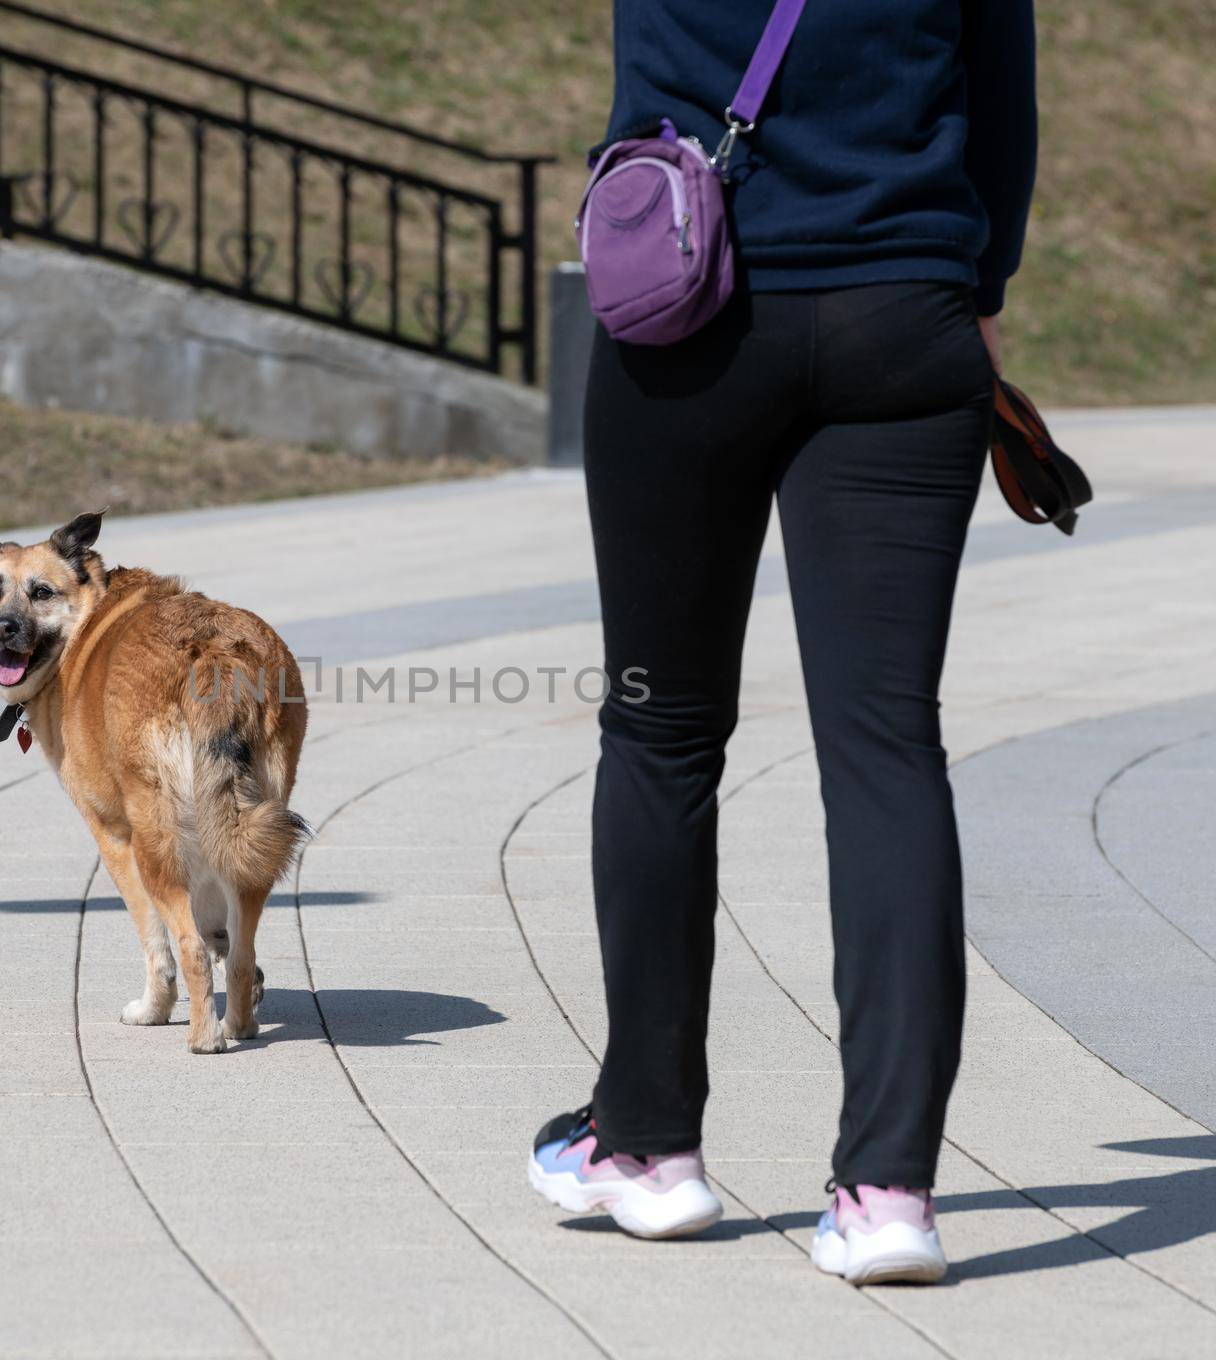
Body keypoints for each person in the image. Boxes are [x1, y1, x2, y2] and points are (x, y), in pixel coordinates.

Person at [528, 0, 1037, 1284]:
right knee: (885, 750)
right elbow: (1005, 111)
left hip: (685, 306)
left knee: (657, 727)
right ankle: (888, 1194)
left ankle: (645, 1149)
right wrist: (978, 295)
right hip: (906, 319)